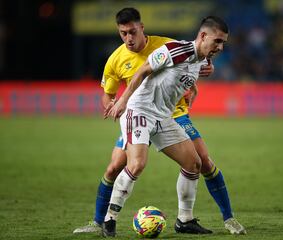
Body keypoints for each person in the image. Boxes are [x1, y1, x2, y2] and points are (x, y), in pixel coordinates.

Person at [73, 8, 245, 235]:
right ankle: (109, 219)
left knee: (194, 163)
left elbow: (184, 74)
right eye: (217, 41)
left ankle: (185, 220)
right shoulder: (176, 50)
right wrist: (123, 101)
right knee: (135, 164)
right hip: (140, 111)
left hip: (163, 116)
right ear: (203, 36)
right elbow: (143, 70)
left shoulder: (199, 60)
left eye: (223, 43)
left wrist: (192, 87)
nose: (220, 47)